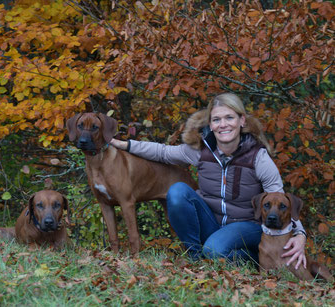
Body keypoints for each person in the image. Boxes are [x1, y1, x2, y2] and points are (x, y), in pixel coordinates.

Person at [110, 93, 307, 268]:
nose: (223, 125)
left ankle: (250, 258)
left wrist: (300, 235)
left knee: (214, 250)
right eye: (216, 119)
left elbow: (280, 199)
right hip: (211, 222)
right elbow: (162, 152)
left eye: (229, 117)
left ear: (242, 120)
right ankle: (196, 258)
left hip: (246, 225)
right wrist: (124, 144)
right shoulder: (200, 152)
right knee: (177, 191)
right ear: (210, 125)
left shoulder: (258, 157)